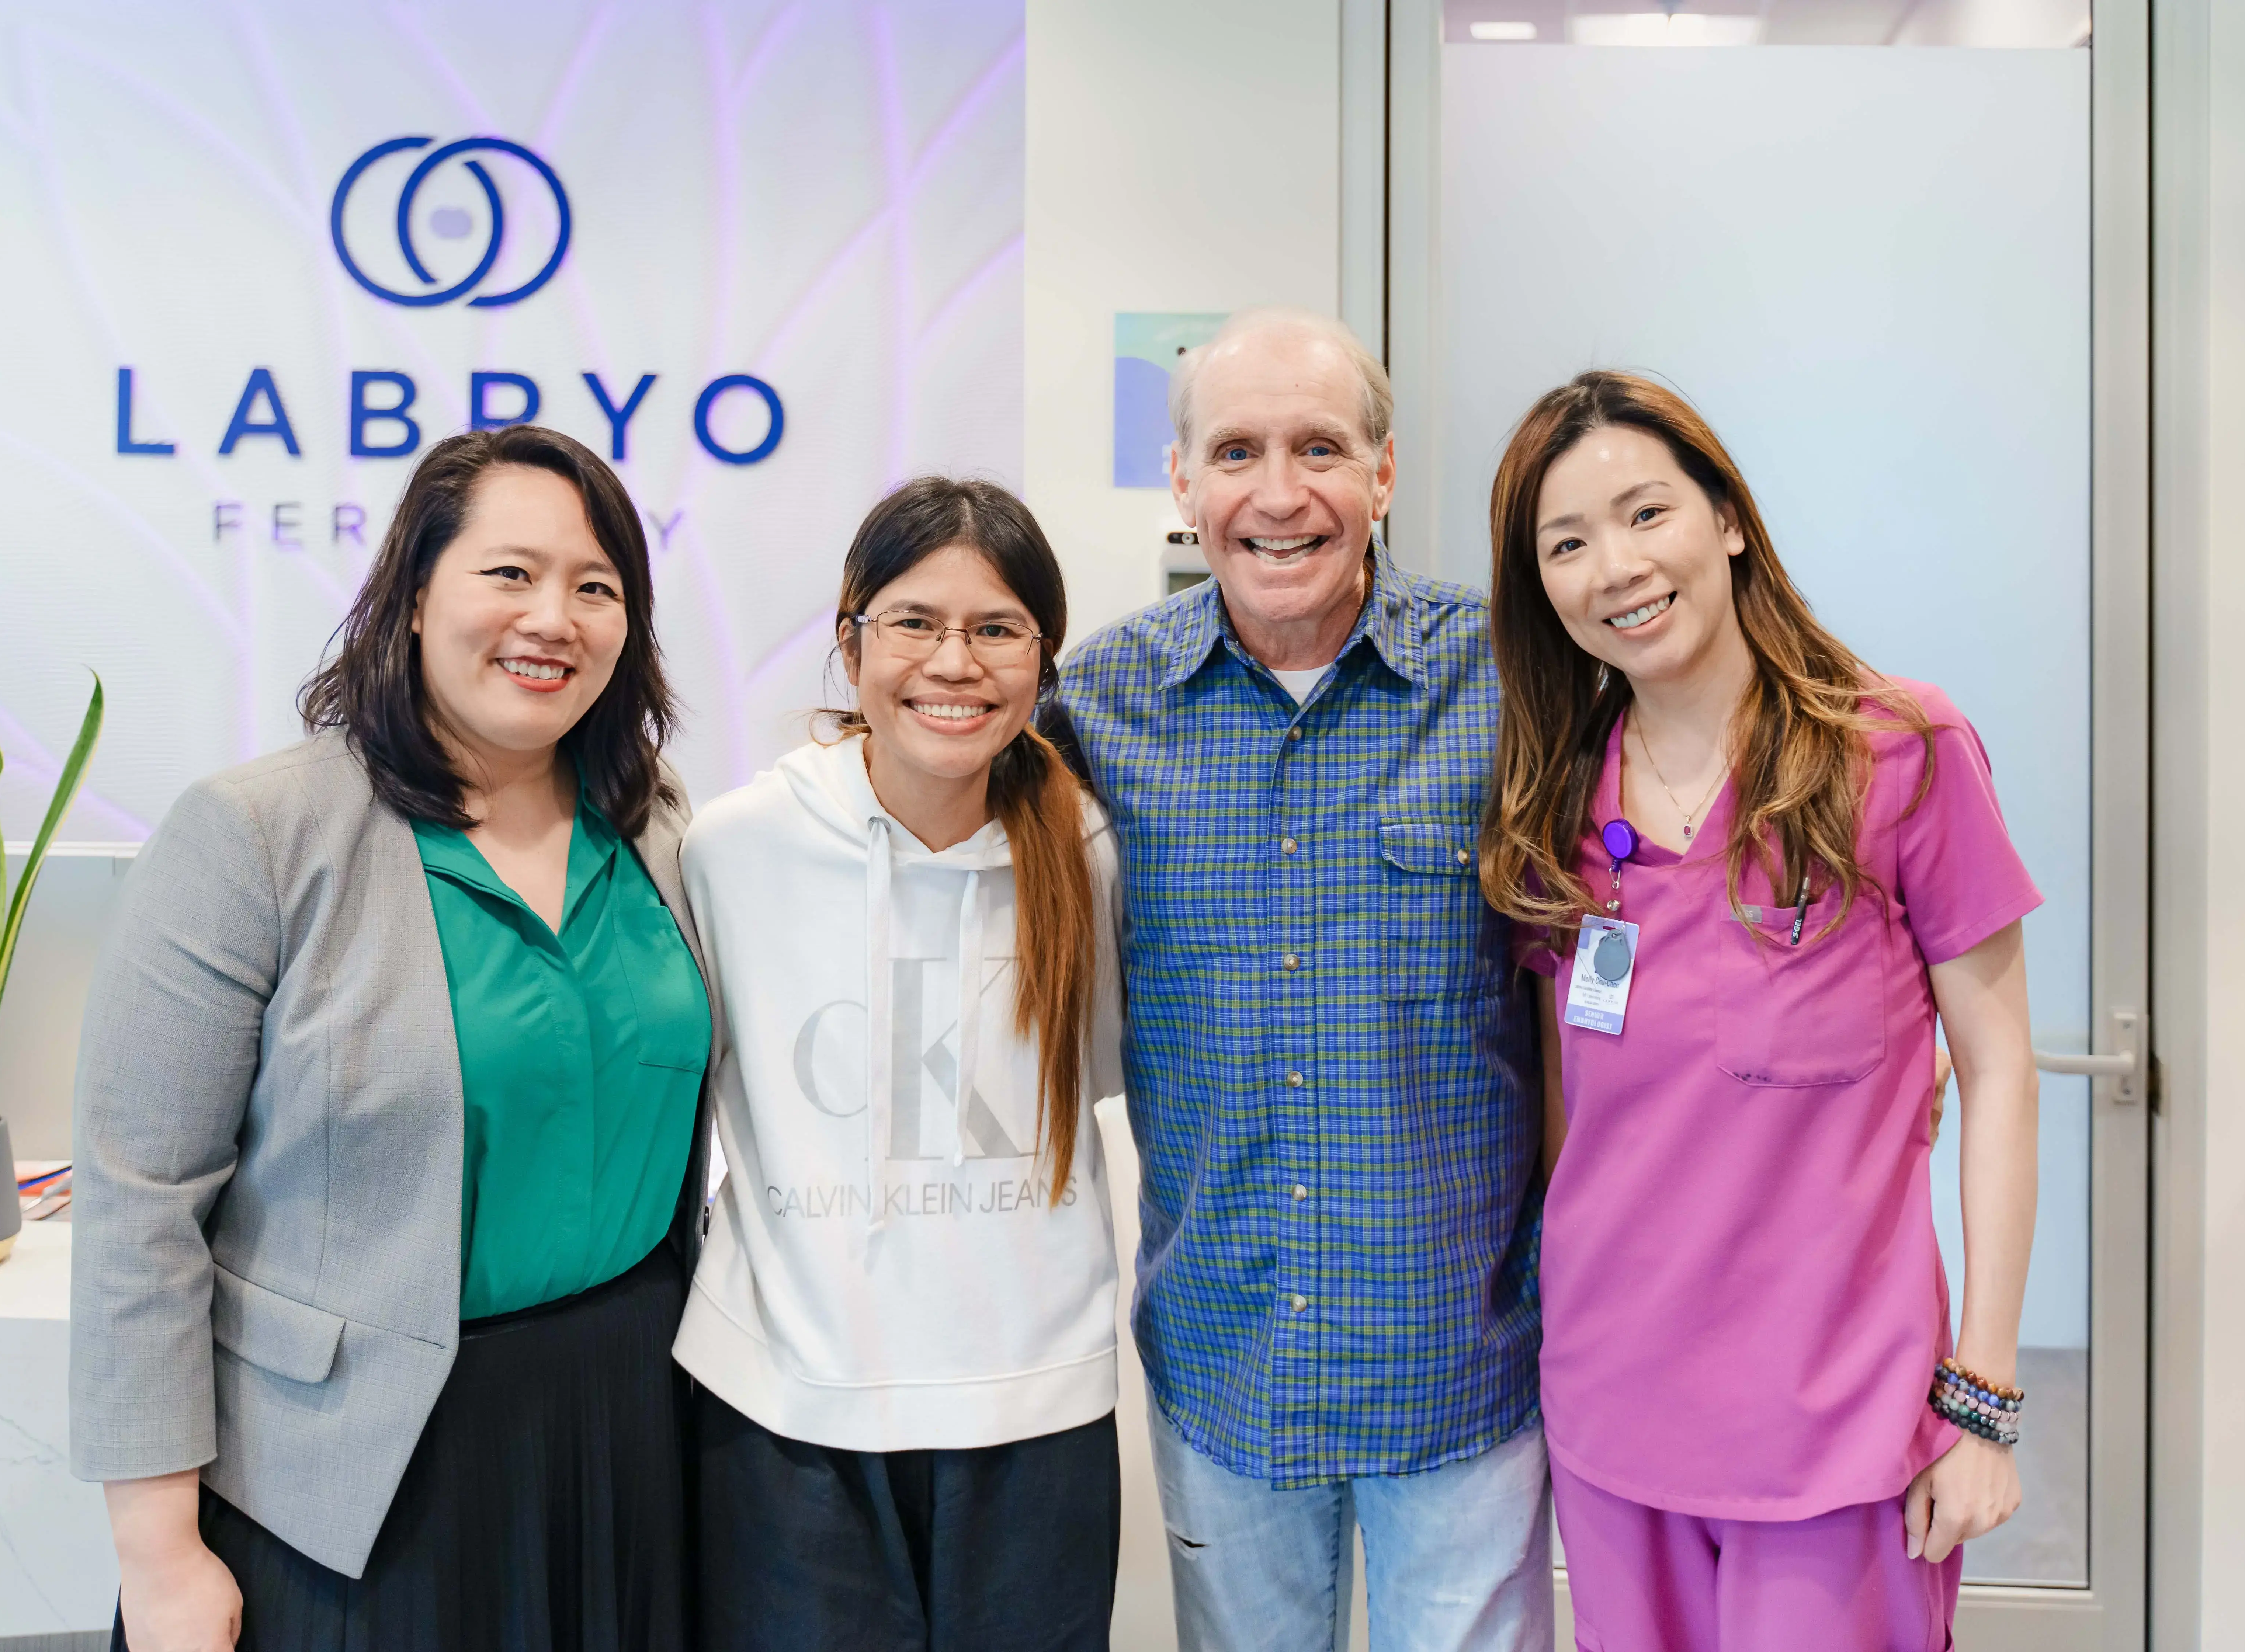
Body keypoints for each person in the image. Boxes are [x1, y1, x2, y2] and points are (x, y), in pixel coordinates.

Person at [69, 425, 711, 1652]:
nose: (553, 618)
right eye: (510, 574)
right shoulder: (257, 835)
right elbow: (139, 1208)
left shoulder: (652, 828)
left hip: (628, 1419)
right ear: (415, 598)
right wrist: (156, 1555)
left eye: (596, 587)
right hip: (348, 1474)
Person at [1477, 371, 2040, 1651]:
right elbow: (1577, 1118)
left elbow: (1999, 1072)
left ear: (1728, 518)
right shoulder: (1554, 803)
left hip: (1841, 1422)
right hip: (1617, 1418)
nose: (1614, 567)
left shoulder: (1899, 748)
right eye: (1567, 544)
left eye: (1645, 514)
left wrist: (1985, 1398)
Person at [1049, 308, 1553, 1651]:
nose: (1280, 495)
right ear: (1183, 483)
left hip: (1469, 1368)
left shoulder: (1514, 684)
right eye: (1236, 452)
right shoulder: (1092, 708)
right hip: (1228, 1366)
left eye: (1320, 449)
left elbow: (1673, 845)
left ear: (1383, 475)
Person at [674, 477, 1125, 1652]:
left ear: (1043, 660)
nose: (954, 662)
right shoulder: (732, 847)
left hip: (1036, 1413)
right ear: (850, 640)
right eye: (916, 622)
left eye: (996, 630)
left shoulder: (1090, 852)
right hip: (785, 1412)